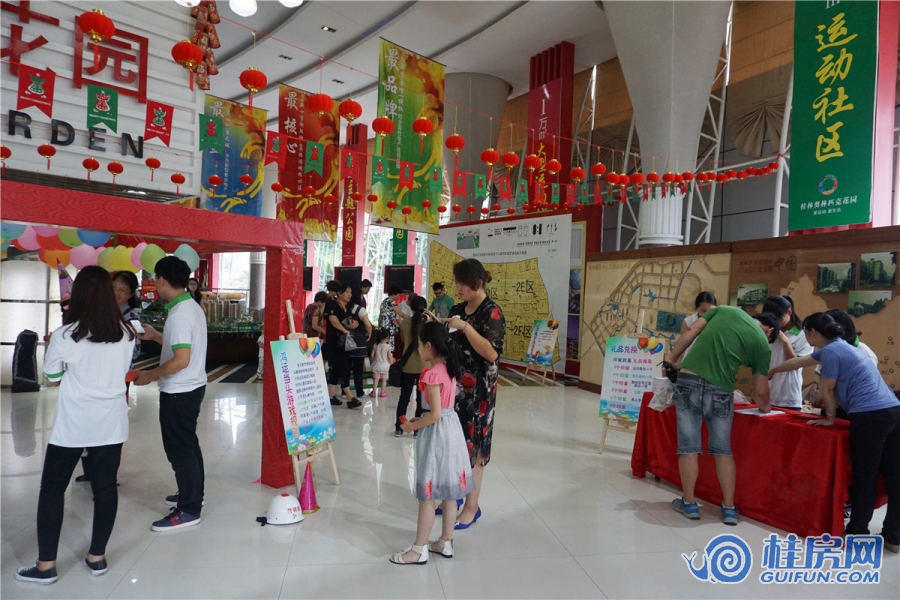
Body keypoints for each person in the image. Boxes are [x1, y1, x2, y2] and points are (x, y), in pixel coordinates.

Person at [15, 266, 135, 584]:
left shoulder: (66, 335)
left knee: (53, 490)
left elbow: (53, 377)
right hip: (111, 423)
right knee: (105, 489)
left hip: (73, 424)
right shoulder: (126, 333)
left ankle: (46, 566)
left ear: (78, 294)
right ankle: (97, 557)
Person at [769, 313, 900, 554]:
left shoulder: (831, 352)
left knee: (866, 476)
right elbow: (798, 362)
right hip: (893, 411)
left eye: (807, 333)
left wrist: (829, 419)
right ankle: (894, 536)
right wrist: (773, 370)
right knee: (894, 475)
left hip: (870, 416)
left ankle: (857, 532)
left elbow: (827, 390)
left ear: (812, 332)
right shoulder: (840, 347)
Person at [666, 304, 772, 526]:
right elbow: (761, 392)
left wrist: (672, 358)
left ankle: (690, 504)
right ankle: (729, 509)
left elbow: (692, 330)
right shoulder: (763, 345)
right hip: (720, 390)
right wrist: (766, 408)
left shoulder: (725, 310)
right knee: (723, 450)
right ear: (769, 331)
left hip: (689, 381)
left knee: (689, 447)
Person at [391, 322, 475, 564]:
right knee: (449, 492)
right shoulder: (448, 368)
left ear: (428, 345)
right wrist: (421, 419)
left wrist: (412, 426)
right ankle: (445, 542)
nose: (418, 349)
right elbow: (440, 410)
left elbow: (435, 414)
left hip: (437, 434)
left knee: (427, 495)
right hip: (452, 430)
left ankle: (419, 550)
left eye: (419, 344)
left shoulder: (432, 374)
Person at [134, 256, 208, 531]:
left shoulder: (179, 315)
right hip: (192, 386)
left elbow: (180, 360)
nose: (155, 283)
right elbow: (183, 346)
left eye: (155, 278)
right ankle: (192, 494)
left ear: (162, 280)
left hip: (179, 390)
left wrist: (149, 375)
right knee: (188, 444)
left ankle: (189, 509)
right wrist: (155, 336)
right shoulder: (189, 306)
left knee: (179, 450)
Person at [444, 260, 505, 529]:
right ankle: (453, 497)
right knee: (454, 445)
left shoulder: (492, 312)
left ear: (478, 284)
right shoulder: (457, 310)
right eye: (457, 283)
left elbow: (491, 353)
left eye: (463, 284)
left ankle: (472, 507)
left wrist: (465, 327)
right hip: (454, 389)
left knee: (475, 448)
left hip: (479, 392)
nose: (458, 288)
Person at [76, 271, 142, 484]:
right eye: (113, 287)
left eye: (123, 290)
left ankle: (107, 475)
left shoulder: (131, 317)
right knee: (88, 421)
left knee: (110, 426)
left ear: (130, 294)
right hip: (92, 378)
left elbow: (136, 351)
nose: (116, 293)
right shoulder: (95, 310)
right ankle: (89, 470)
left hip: (117, 380)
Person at [761, 295, 813, 410]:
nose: (775, 322)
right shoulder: (768, 331)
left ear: (789, 312)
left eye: (778, 319)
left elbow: (795, 363)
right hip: (766, 395)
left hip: (789, 398)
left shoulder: (803, 334)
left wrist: (784, 340)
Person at [323, 282, 363, 409]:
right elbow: (333, 320)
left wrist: (354, 324)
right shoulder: (332, 304)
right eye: (347, 292)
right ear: (339, 293)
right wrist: (344, 330)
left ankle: (330, 397)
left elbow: (351, 321)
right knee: (344, 368)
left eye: (350, 292)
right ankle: (350, 398)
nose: (349, 294)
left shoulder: (346, 307)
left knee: (336, 370)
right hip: (335, 343)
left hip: (344, 343)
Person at [396, 296, 428, 437]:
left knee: (404, 398)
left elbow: (404, 340)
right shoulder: (428, 324)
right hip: (424, 366)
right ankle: (417, 429)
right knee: (421, 400)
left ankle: (399, 427)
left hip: (408, 365)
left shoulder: (404, 323)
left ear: (411, 307)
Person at [348, 287, 373, 399]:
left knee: (347, 368)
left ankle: (345, 391)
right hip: (358, 342)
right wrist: (369, 333)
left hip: (346, 342)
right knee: (358, 369)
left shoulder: (345, 308)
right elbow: (368, 325)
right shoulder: (360, 309)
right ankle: (359, 392)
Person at [679, 291, 716, 358]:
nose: (707, 314)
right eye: (703, 311)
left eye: (711, 311)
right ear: (696, 308)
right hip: (691, 359)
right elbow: (682, 347)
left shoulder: (718, 322)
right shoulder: (688, 322)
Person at [379, 284, 405, 352]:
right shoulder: (391, 302)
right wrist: (412, 317)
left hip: (382, 327)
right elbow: (401, 314)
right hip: (389, 328)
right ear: (394, 294)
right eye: (398, 294)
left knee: (382, 347)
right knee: (388, 349)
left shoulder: (384, 302)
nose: (398, 296)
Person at [369, 329, 393, 399]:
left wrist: (374, 360)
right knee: (384, 380)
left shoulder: (376, 345)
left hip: (377, 365)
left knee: (376, 379)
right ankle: (382, 392)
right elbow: (389, 357)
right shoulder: (388, 346)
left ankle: (373, 392)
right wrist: (391, 363)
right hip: (385, 366)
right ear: (388, 337)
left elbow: (372, 355)